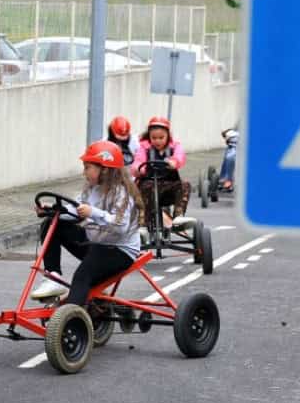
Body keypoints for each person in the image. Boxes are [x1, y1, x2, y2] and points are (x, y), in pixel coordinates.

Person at [30, 140, 142, 306]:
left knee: (83, 276)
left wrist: (93, 212)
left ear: (104, 169)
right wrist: (53, 211)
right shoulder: (91, 188)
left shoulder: (122, 193)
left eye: (87, 167)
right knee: (51, 224)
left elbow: (120, 226)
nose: (84, 173)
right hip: (96, 242)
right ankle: (53, 276)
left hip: (119, 250)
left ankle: (73, 321)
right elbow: (76, 209)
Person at [131, 116, 190, 229]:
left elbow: (180, 155)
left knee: (184, 185)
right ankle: (143, 222)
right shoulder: (144, 147)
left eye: (161, 137)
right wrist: (139, 168)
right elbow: (138, 160)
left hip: (169, 187)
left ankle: (178, 216)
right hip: (149, 186)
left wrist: (174, 162)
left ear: (168, 136)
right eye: (154, 138)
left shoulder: (174, 146)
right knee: (146, 187)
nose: (157, 141)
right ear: (149, 136)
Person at [217, 127, 238, 191]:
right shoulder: (232, 133)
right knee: (229, 157)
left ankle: (226, 179)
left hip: (235, 148)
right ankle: (226, 179)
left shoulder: (231, 133)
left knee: (229, 157)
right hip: (234, 147)